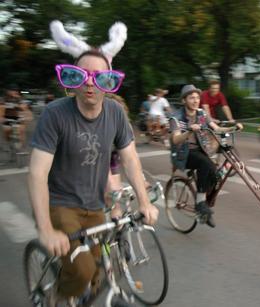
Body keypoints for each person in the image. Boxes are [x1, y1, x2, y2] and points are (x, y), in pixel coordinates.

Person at [28, 20, 158, 305]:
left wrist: (144, 202)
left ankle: (74, 285)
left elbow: (131, 160)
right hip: (61, 205)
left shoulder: (115, 114)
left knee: (100, 271)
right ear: (72, 79)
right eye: (81, 75)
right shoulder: (54, 114)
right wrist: (45, 230)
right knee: (82, 271)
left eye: (100, 77)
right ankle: (53, 296)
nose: (90, 82)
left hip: (95, 206)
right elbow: (37, 174)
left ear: (110, 83)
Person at [169, 84, 242, 228]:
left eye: (197, 98)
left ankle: (204, 209)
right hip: (184, 154)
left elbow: (217, 128)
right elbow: (175, 139)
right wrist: (189, 131)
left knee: (216, 177)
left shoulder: (201, 114)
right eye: (191, 98)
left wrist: (233, 128)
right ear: (184, 100)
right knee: (206, 164)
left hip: (201, 149)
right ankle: (200, 204)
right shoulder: (176, 118)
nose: (195, 101)